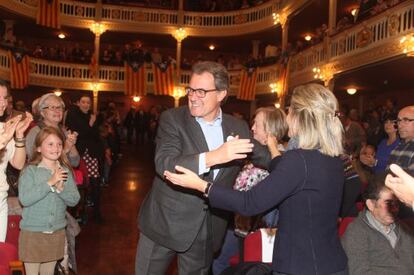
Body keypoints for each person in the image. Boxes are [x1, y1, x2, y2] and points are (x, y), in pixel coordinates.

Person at [165, 83, 348, 275]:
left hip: (301, 267)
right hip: (332, 263)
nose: (287, 117)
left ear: (301, 117)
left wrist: (201, 185)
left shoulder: (298, 160)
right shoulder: (332, 158)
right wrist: (272, 149)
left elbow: (249, 203)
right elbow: (289, 174)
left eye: (290, 111)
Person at [135, 61, 269, 274]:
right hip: (164, 224)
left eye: (201, 91)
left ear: (221, 94)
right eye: (191, 90)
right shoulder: (173, 119)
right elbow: (165, 163)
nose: (193, 96)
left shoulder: (237, 127)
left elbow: (265, 156)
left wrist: (298, 159)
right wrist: (215, 156)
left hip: (206, 230)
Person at [213, 107, 288, 275]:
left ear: (270, 131)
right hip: (238, 226)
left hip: (258, 232)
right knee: (220, 263)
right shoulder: (255, 154)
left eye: (256, 124)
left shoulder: (281, 161)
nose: (252, 128)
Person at [18, 127, 80, 275]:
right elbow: (25, 199)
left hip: (56, 233)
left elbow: (74, 199)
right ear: (38, 148)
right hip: (33, 233)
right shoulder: (30, 171)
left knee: (48, 272)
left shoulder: (64, 170)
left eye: (59, 144)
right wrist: (49, 183)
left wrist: (60, 189)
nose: (56, 148)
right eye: (50, 144)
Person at [342, 173, 414, 275]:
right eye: (388, 203)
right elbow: (359, 271)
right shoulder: (356, 232)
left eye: (397, 204)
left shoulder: (403, 228)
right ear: (371, 205)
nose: (395, 209)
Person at [0, 80, 33, 242]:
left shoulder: (3, 127)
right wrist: (3, 140)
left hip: (1, 200)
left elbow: (18, 164)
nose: (3, 103)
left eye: (5, 98)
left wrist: (19, 136)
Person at [26, 93, 80, 167]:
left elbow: (75, 162)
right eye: (52, 107)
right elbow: (35, 162)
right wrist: (65, 150)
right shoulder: (35, 132)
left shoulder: (64, 131)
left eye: (59, 107)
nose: (57, 111)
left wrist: (71, 144)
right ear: (42, 112)